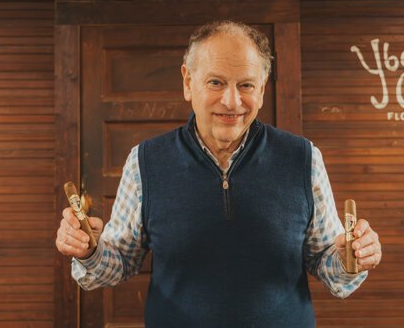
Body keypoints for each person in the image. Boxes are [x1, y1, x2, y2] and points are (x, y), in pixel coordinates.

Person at [56, 20, 382, 327]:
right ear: (188, 82)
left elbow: (331, 267)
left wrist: (353, 258)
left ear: (262, 88)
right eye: (216, 82)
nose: (232, 101)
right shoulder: (146, 161)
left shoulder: (303, 158)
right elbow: (115, 265)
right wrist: (88, 251)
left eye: (246, 85)